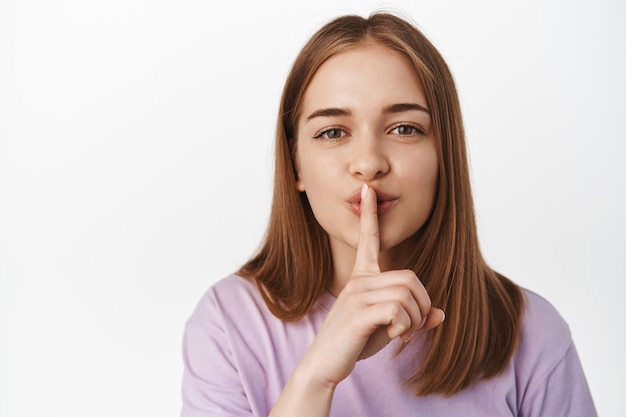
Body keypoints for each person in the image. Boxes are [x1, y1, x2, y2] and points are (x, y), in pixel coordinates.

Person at [181, 12, 597, 417]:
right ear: (295, 167)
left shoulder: (533, 334)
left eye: (404, 128)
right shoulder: (228, 324)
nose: (368, 162)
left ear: (444, 154)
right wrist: (315, 377)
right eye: (332, 132)